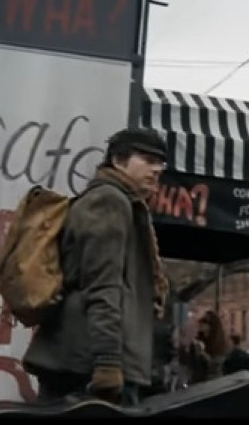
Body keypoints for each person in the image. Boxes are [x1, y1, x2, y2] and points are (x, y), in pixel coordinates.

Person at [22, 127, 170, 406]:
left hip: (81, 359)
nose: (157, 169)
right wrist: (107, 362)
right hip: (87, 365)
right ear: (118, 161)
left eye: (160, 162)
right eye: (147, 160)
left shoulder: (121, 202)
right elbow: (103, 285)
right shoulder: (109, 201)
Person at [188, 311, 228, 384]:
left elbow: (217, 367)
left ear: (212, 325)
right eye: (201, 321)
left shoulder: (219, 344)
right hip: (197, 381)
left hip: (212, 383)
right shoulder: (198, 341)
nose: (201, 324)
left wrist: (205, 357)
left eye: (205, 322)